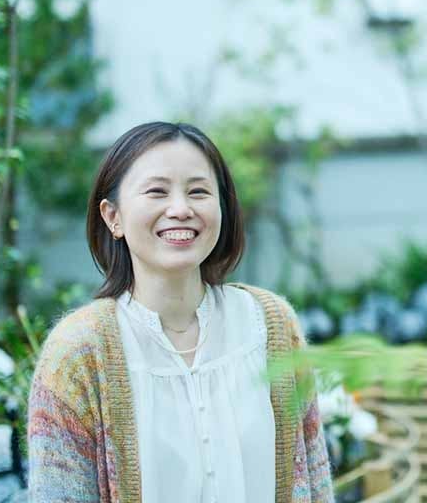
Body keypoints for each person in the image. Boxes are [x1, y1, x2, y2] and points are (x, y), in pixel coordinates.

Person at [27, 121, 334, 503]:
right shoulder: (78, 354)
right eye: (157, 191)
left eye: (198, 191)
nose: (180, 209)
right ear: (112, 217)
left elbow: (316, 484)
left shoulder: (271, 327)